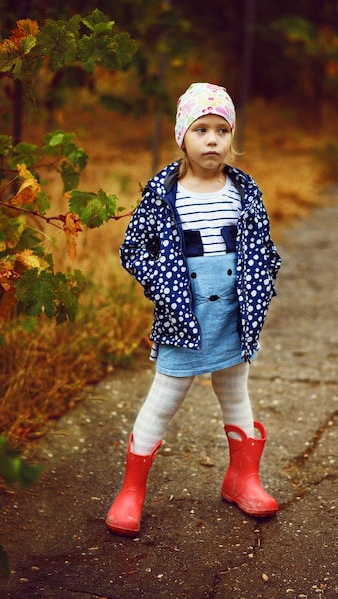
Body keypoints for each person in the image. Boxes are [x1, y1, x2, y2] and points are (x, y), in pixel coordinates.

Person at [106, 82, 282, 537]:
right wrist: (164, 286)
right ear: (182, 135)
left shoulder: (242, 191)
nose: (212, 140)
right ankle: (131, 491)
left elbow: (263, 247)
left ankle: (243, 479)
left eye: (222, 131)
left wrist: (260, 285)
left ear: (232, 139)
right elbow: (133, 250)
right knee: (164, 399)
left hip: (233, 316)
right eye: (201, 129)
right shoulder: (164, 194)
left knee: (236, 393)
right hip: (183, 315)